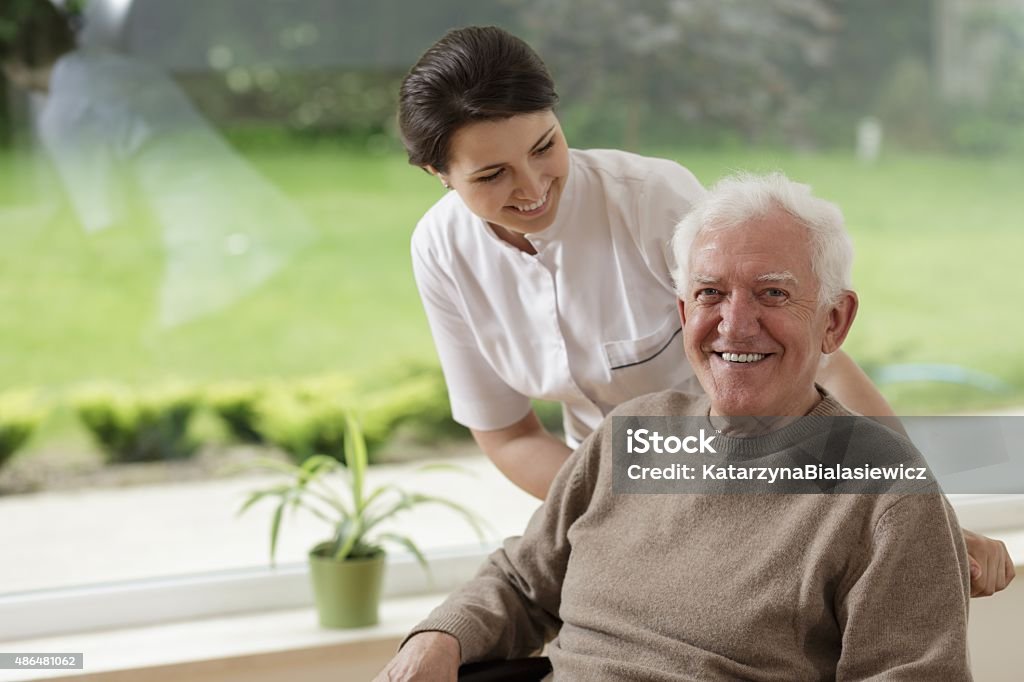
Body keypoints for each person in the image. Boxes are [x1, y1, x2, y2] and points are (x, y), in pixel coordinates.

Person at [398, 25, 1013, 596]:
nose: (532, 188)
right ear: (438, 174)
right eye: (493, 174)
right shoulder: (441, 251)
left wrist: (929, 518)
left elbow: (815, 360)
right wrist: (620, 507)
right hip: (608, 492)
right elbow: (508, 434)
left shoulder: (650, 201)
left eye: (544, 147)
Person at [375, 172, 976, 681]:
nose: (735, 325)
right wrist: (439, 638)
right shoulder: (631, 434)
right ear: (684, 312)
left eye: (771, 293)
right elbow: (522, 581)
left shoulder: (886, 498)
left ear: (834, 321)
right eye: (710, 293)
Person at [1, 0, 315, 327]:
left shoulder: (67, 111)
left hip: (215, 266)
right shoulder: (124, 69)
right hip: (273, 229)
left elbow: (112, 236)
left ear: (12, 65)